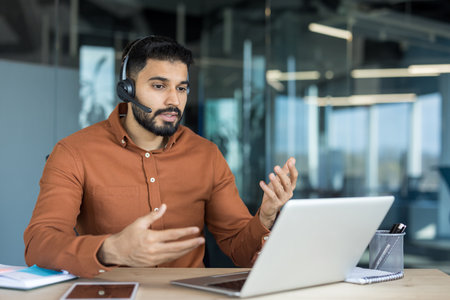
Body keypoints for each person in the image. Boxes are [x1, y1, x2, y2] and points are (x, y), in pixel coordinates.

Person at [23, 35, 298, 278]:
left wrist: (265, 215)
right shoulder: (74, 153)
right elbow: (39, 244)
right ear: (127, 89)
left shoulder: (206, 155)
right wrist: (110, 250)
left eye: (181, 88)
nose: (173, 101)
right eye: (159, 86)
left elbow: (240, 249)